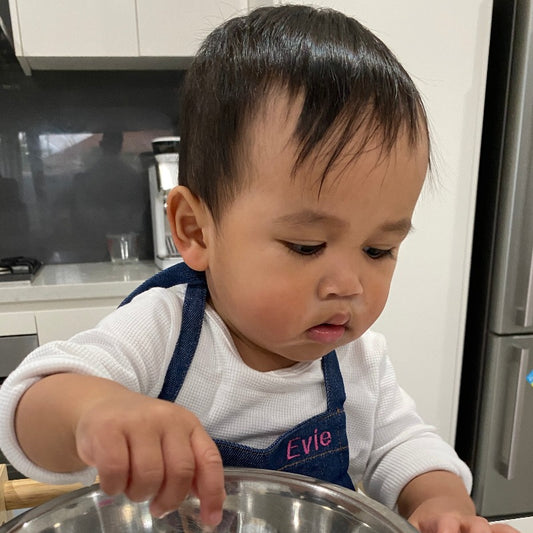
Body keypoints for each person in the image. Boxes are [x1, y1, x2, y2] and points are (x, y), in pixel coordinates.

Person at [0, 6, 516, 533]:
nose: (349, 285)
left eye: (379, 250)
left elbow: (405, 449)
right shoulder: (164, 331)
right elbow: (30, 403)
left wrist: (442, 504)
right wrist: (95, 411)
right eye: (306, 244)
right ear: (197, 231)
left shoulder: (357, 362)